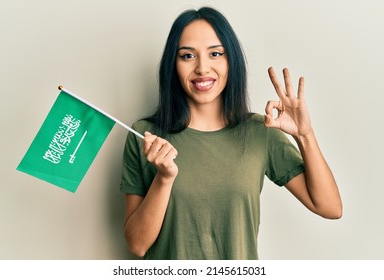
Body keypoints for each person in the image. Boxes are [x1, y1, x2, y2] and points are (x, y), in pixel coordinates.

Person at [120, 6, 342, 260]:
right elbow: (137, 245)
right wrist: (164, 178)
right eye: (187, 56)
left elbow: (330, 207)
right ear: (173, 64)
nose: (203, 68)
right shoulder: (144, 136)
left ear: (231, 60)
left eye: (215, 53)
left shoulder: (262, 131)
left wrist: (305, 135)